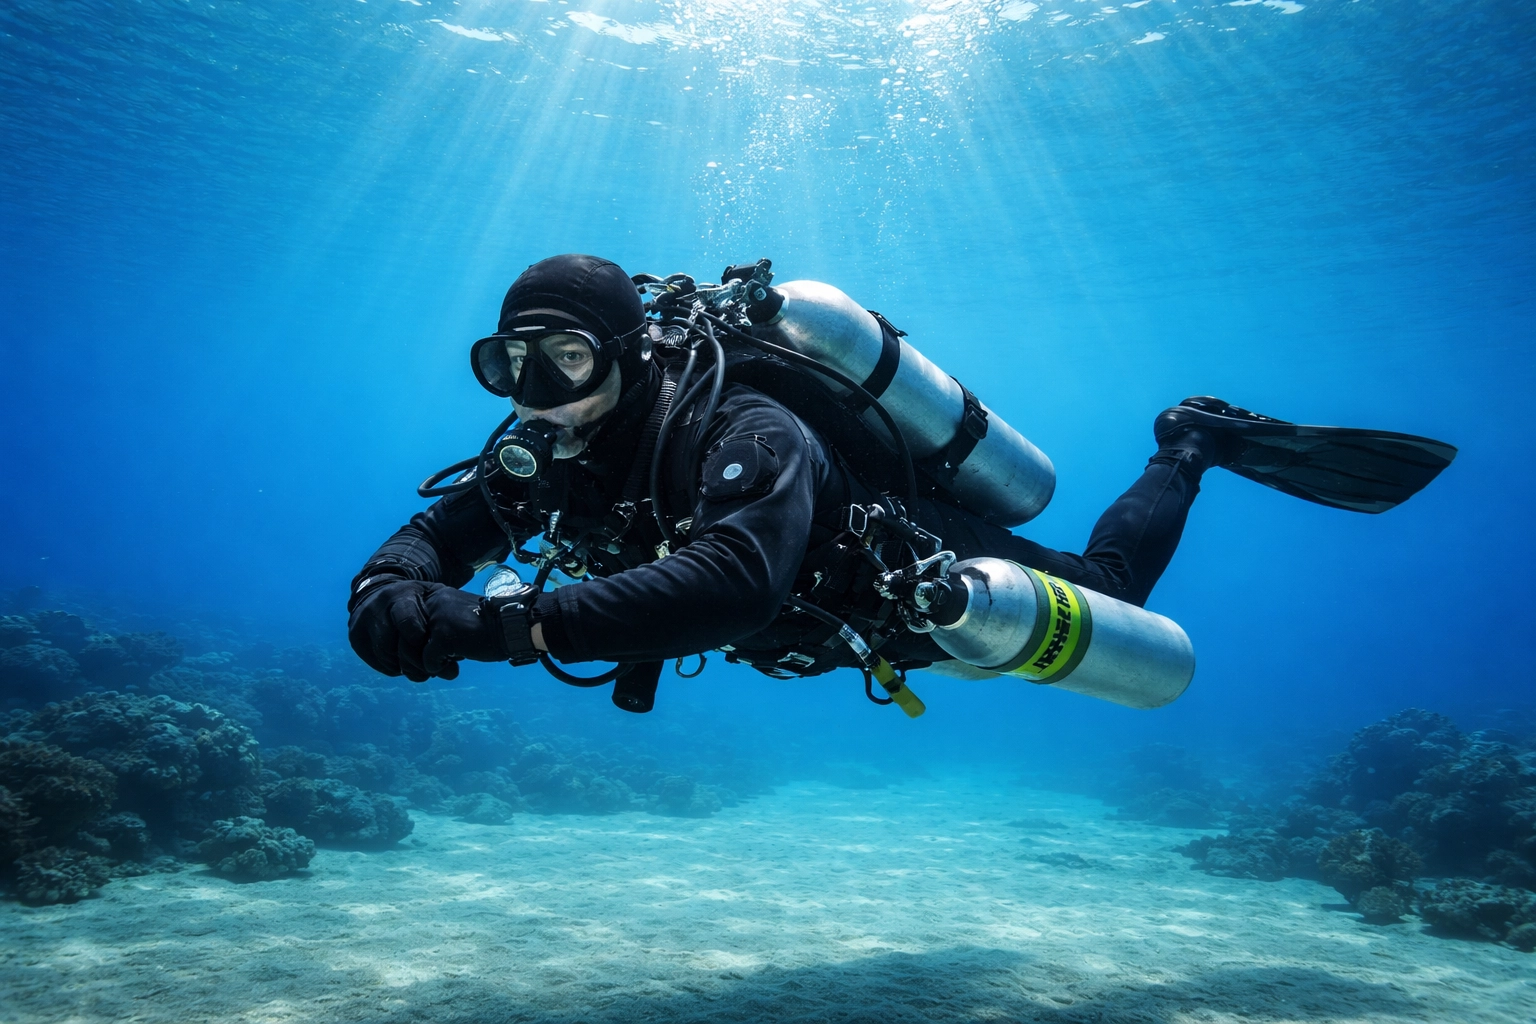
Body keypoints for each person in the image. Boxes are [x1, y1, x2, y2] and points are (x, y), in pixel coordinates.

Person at [347, 254, 1453, 710]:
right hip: (814, 611)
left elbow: (736, 579)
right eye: (510, 362)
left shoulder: (743, 422)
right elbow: (438, 534)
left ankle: (1187, 444)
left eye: (566, 359)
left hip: (901, 565)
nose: (534, 389)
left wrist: (502, 630)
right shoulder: (549, 448)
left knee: (1113, 588)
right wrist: (386, 594)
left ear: (630, 355)